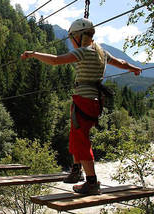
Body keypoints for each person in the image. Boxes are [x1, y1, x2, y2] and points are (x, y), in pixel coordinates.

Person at [21, 18, 141, 195]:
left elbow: (55, 60)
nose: (71, 42)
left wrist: (33, 54)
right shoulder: (101, 53)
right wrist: (134, 68)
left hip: (83, 100)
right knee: (75, 135)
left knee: (81, 140)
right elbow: (121, 63)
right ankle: (76, 170)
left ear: (78, 36)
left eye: (71, 38)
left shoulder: (83, 52)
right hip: (94, 101)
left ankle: (91, 182)